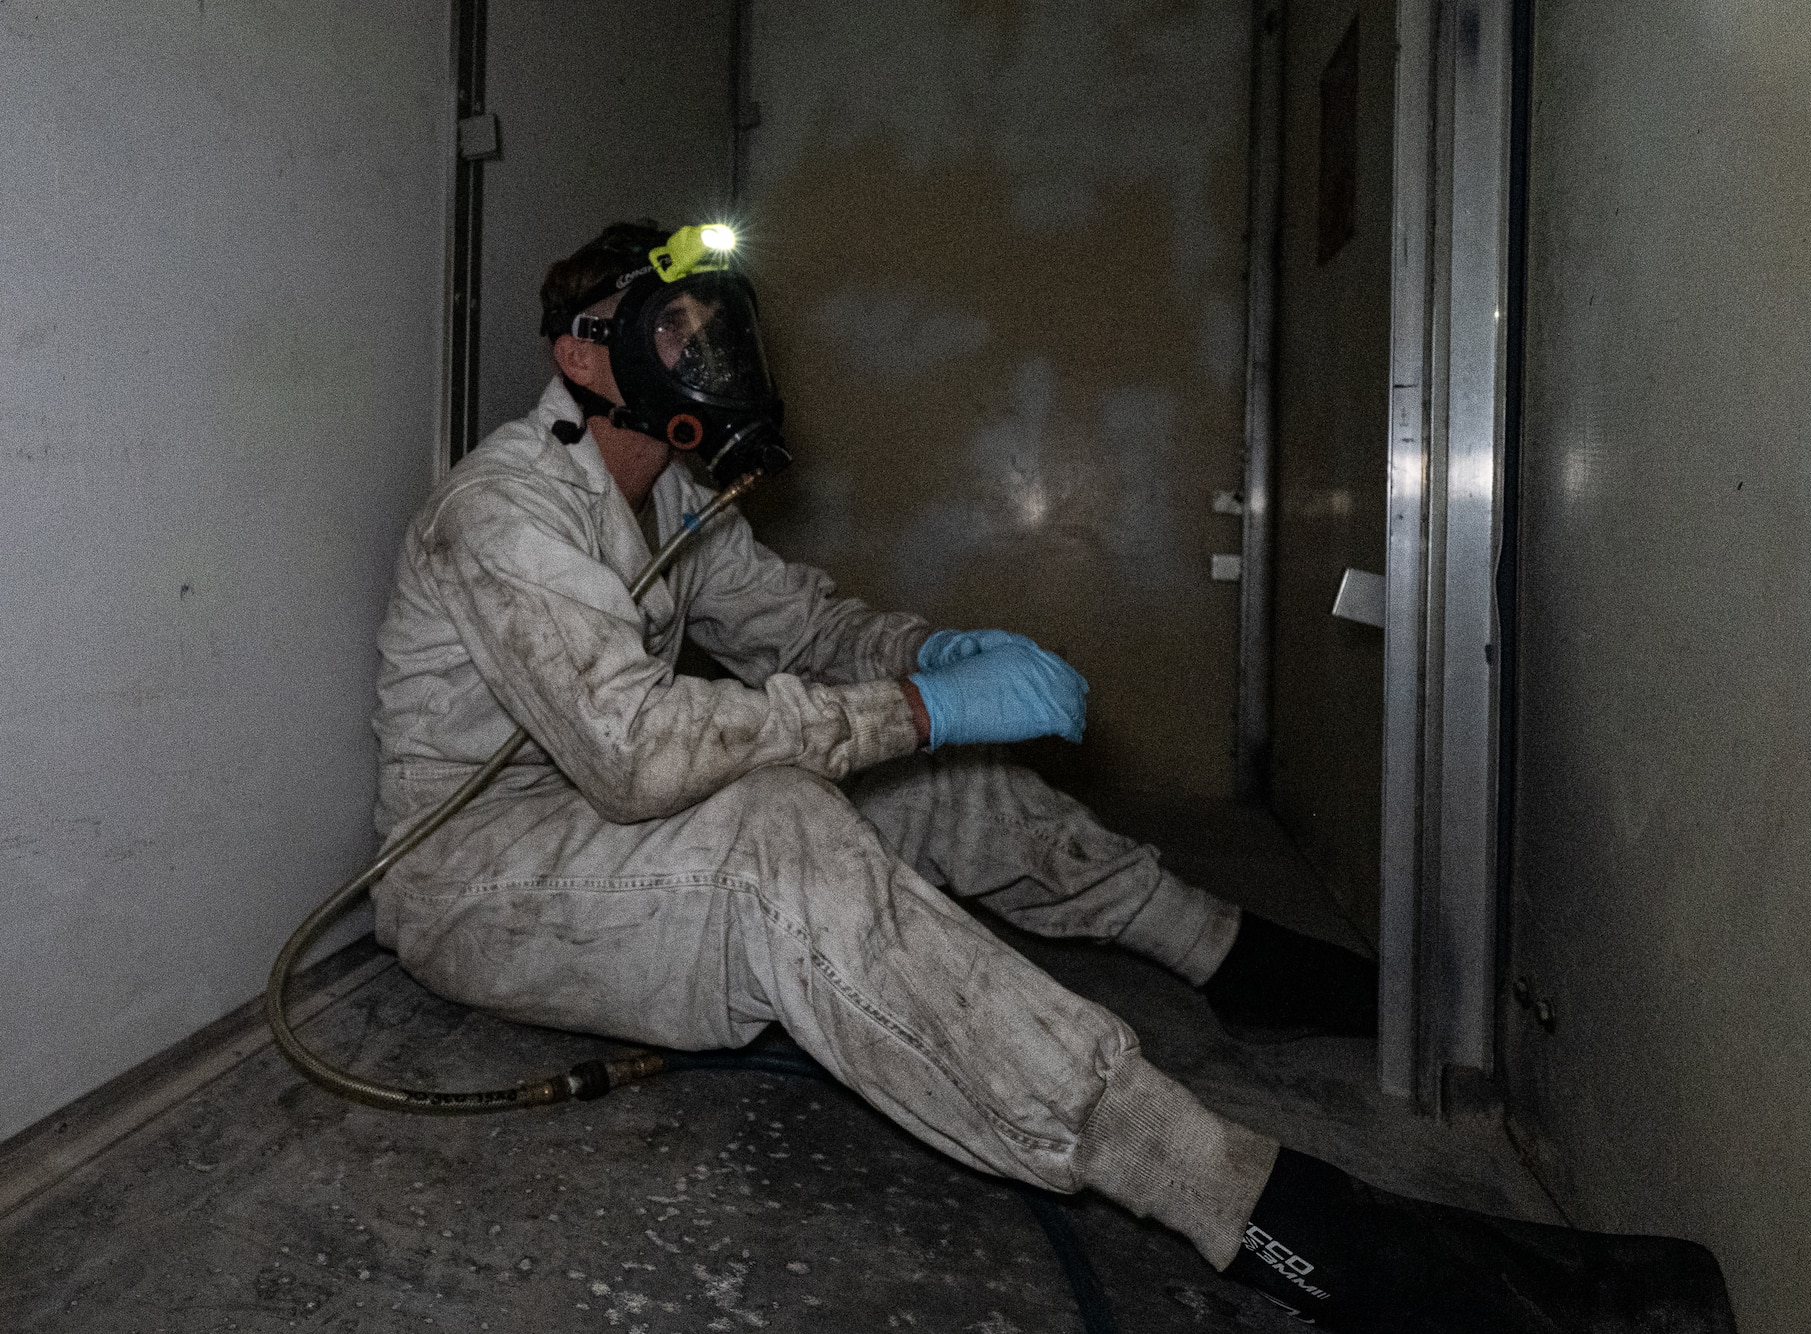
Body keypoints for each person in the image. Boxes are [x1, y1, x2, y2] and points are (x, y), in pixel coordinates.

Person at [367, 220, 1734, 1330]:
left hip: (603, 838)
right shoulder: (506, 510)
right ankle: (1246, 1204)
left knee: (926, 777)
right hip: (483, 877)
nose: (710, 357)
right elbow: (638, 753)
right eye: (678, 336)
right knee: (781, 829)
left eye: (719, 327)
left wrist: (935, 659)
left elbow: (802, 627)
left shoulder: (668, 500)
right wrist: (906, 703)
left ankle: (1221, 951)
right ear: (587, 356)